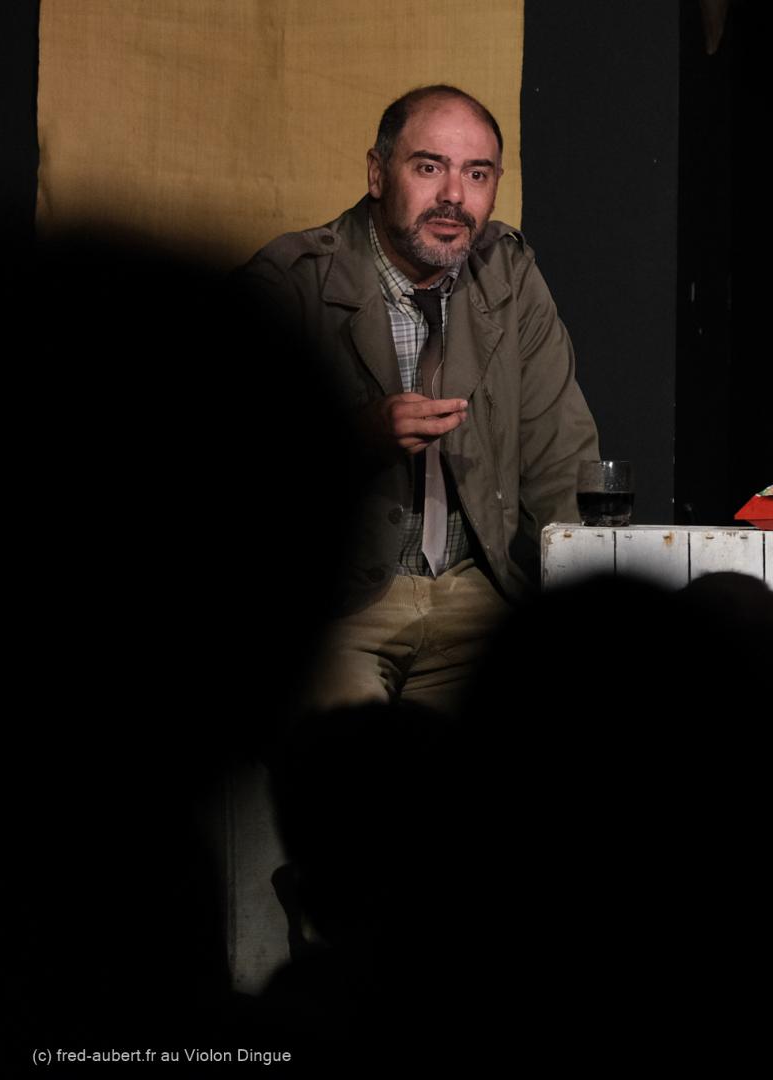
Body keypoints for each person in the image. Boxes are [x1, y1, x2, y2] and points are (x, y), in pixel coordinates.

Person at [241, 85, 599, 714]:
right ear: (378, 174)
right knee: (346, 748)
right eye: (429, 167)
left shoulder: (509, 276)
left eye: (477, 174)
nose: (454, 195)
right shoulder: (293, 280)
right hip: (338, 607)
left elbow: (560, 458)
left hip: (473, 593)